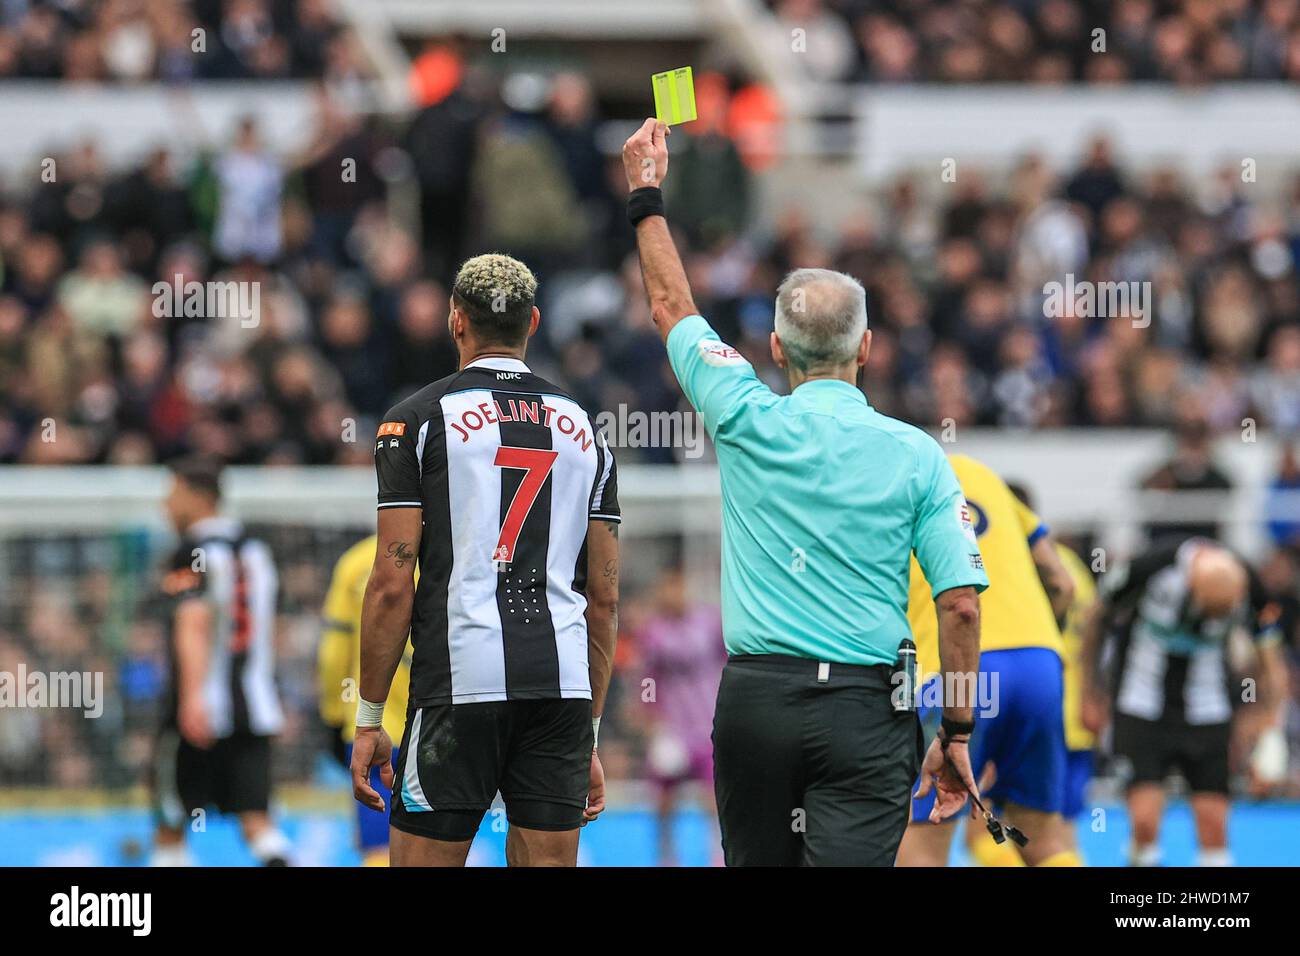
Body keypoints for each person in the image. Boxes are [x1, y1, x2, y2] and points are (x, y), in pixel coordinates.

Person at [621, 119, 988, 866]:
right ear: (867, 348)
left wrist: (646, 195)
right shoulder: (917, 455)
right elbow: (960, 603)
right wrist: (956, 731)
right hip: (865, 707)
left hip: (758, 701)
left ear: (778, 350)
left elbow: (670, 305)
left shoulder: (743, 414)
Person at [349, 253, 621, 867]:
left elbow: (392, 582)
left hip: (460, 680)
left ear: (455, 321)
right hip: (561, 687)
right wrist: (590, 733)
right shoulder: (585, 427)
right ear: (535, 322)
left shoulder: (415, 421)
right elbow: (604, 596)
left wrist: (369, 717)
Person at [898, 456, 1080, 867]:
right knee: (1044, 839)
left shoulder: (891, 476)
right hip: (1040, 661)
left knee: (922, 841)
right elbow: (1061, 581)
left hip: (958, 668)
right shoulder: (984, 475)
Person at [1082, 538, 1290, 866]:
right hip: (1141, 708)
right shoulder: (1148, 568)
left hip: (1208, 712)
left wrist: (1268, 722)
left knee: (1213, 825)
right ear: (1190, 584)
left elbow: (1271, 661)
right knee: (1145, 821)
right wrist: (1090, 693)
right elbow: (1094, 619)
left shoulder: (1250, 583)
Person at [150, 456, 291, 866]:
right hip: (256, 708)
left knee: (171, 821)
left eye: (172, 494)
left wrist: (192, 698)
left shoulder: (189, 552)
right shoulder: (257, 551)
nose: (165, 506)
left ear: (198, 497)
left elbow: (193, 623)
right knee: (258, 822)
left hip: (200, 711)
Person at [317, 534, 412, 866]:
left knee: (379, 845)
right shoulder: (456, 554)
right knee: (439, 843)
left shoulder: (357, 562)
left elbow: (333, 654)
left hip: (372, 727)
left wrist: (332, 714)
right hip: (442, 726)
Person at [634, 564, 726, 866]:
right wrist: (653, 725)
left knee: (713, 798)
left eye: (678, 587)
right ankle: (666, 856)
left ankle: (718, 855)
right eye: (667, 588)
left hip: (707, 728)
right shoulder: (653, 633)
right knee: (662, 800)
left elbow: (727, 665)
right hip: (672, 730)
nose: (673, 594)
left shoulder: (710, 624)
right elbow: (648, 679)